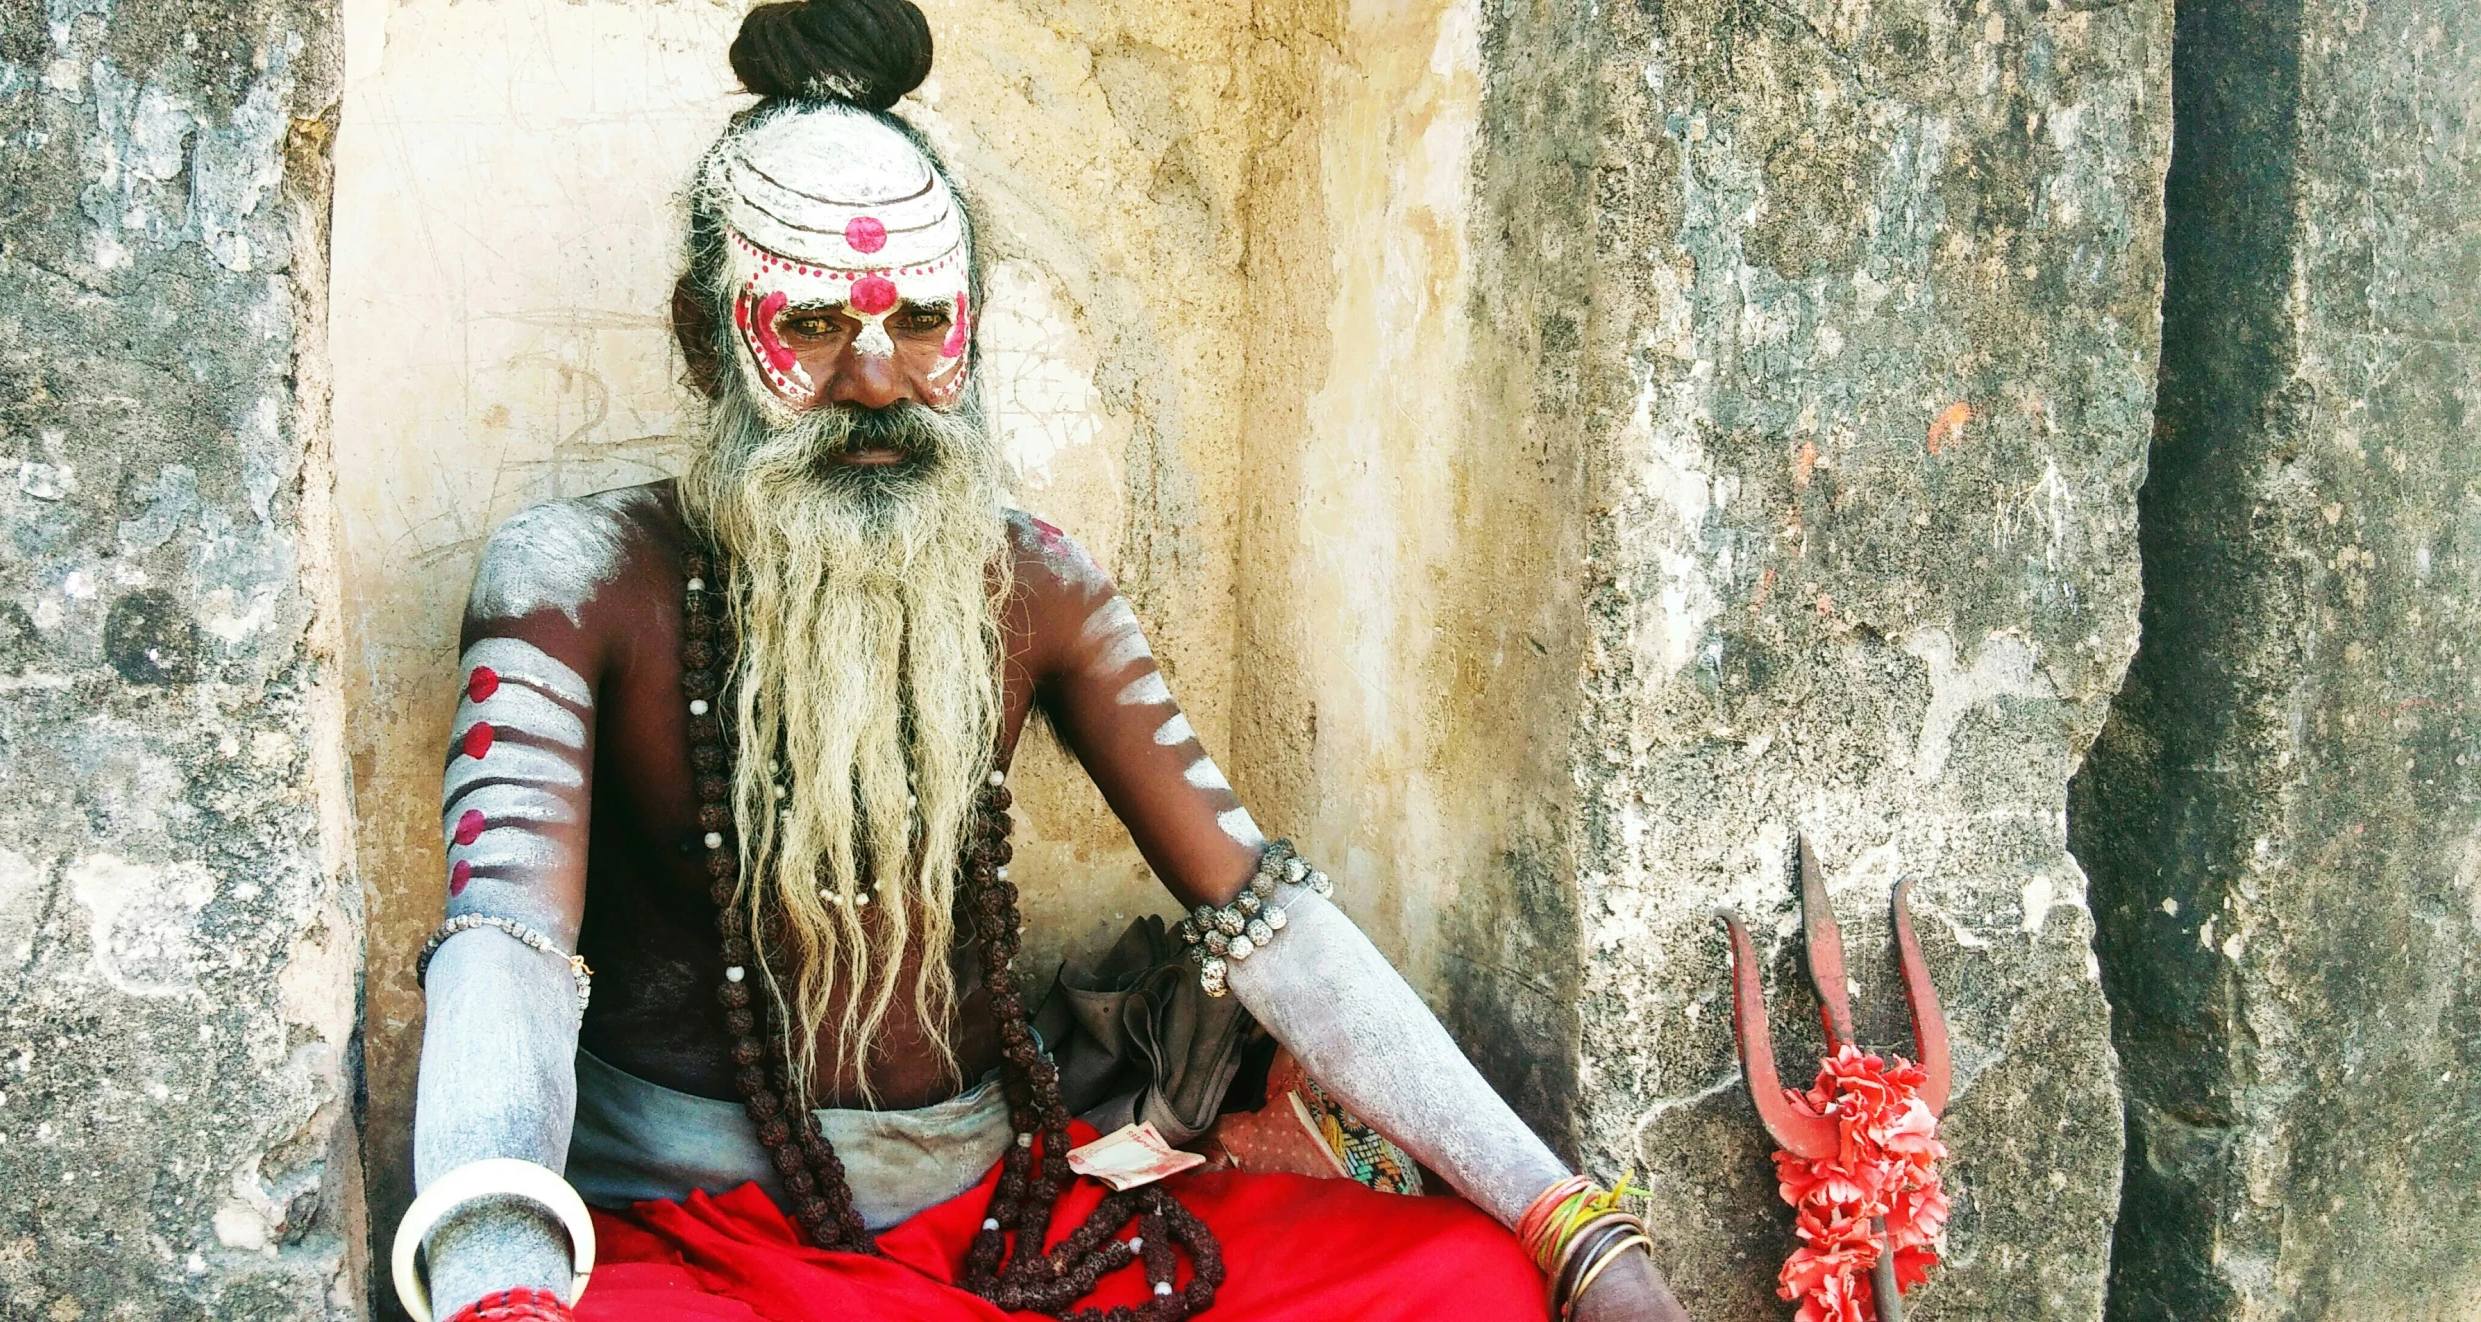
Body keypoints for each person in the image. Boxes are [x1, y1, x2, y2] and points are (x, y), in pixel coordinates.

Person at [399, 4, 1694, 1320]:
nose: (876, 378)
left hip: (998, 1215)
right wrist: (497, 1288)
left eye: (918, 321)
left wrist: (1564, 1217)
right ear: (701, 337)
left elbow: (1267, 912)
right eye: (806, 328)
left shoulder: (1038, 581)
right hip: (690, 1237)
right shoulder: (573, 582)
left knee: (1465, 1280)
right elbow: (504, 944)